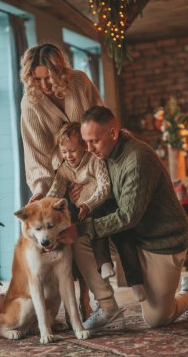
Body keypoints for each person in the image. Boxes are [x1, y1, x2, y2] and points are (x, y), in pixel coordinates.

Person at [59, 105, 188, 332]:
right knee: (80, 238)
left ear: (114, 133)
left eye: (94, 141)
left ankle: (186, 292)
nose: (88, 148)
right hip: (132, 238)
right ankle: (107, 305)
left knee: (156, 318)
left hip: (163, 242)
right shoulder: (104, 153)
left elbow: (128, 216)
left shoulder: (138, 160)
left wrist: (81, 227)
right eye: (86, 141)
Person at [47, 121, 147, 303]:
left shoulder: (93, 161)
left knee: (125, 239)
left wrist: (88, 204)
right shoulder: (63, 169)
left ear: (84, 147)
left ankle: (136, 282)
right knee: (92, 232)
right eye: (64, 152)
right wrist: (44, 205)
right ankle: (104, 264)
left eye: (73, 151)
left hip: (106, 206)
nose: (68, 156)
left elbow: (105, 186)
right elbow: (56, 190)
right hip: (87, 213)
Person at [20, 43, 104, 202]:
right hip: (63, 178)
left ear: (59, 72)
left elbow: (101, 120)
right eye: (38, 79)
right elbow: (36, 154)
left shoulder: (79, 81)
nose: (44, 85)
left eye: (49, 78)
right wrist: (40, 191)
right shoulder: (30, 103)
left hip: (96, 163)